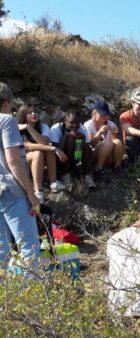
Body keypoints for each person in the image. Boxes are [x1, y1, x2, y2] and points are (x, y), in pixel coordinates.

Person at [0, 82, 41, 277]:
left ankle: (6, 302)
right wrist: (31, 193)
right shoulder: (6, 121)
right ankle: (30, 302)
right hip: (11, 190)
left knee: (2, 252)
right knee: (29, 247)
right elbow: (13, 161)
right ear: (6, 102)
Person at [15, 104, 67, 203]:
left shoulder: (43, 127)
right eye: (29, 113)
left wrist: (29, 128)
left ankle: (53, 183)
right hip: (22, 160)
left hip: (38, 160)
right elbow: (28, 146)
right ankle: (38, 190)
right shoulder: (17, 129)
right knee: (40, 152)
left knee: (47, 149)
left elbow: (44, 142)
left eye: (35, 111)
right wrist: (54, 148)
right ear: (23, 115)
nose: (34, 114)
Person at [49, 112, 96, 189]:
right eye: (71, 122)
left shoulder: (82, 128)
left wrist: (83, 137)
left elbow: (89, 149)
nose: (74, 125)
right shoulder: (57, 128)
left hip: (75, 157)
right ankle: (66, 174)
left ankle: (86, 175)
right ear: (65, 121)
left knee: (81, 142)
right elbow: (55, 150)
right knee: (70, 139)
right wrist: (66, 136)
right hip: (60, 159)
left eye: (77, 123)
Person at [83, 100, 125, 179]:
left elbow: (115, 144)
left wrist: (113, 133)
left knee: (118, 142)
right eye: (101, 114)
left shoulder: (111, 124)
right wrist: (100, 132)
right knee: (107, 143)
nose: (104, 116)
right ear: (95, 113)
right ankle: (99, 169)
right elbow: (91, 144)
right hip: (94, 154)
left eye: (106, 114)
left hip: (108, 154)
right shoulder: (88, 125)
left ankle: (117, 167)